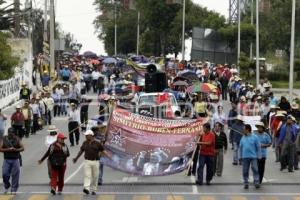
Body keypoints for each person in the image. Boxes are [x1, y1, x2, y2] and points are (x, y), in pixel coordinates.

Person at [73, 130, 110, 195]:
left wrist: (109, 156)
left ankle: (94, 190)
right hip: (87, 161)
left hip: (95, 162)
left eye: (87, 135)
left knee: (95, 176)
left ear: (91, 136)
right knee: (87, 175)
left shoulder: (97, 143)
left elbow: (103, 150)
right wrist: (76, 158)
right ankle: (86, 189)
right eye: (85, 135)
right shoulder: (84, 143)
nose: (85, 136)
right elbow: (81, 151)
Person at [0, 128, 24, 194]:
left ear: (14, 133)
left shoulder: (17, 139)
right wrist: (8, 149)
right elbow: (0, 148)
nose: (11, 134)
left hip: (15, 160)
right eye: (10, 133)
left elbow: (22, 148)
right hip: (6, 160)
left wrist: (16, 150)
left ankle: (14, 189)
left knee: (15, 175)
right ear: (8, 133)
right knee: (5, 174)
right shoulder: (4, 139)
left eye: (12, 133)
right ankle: (7, 185)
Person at [239, 124, 261, 189]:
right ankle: (246, 183)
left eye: (244, 129)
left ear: (247, 129)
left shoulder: (255, 137)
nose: (243, 131)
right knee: (245, 171)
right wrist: (239, 157)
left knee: (255, 169)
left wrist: (259, 156)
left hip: (253, 156)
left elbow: (258, 147)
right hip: (245, 157)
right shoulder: (243, 137)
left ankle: (256, 182)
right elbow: (240, 148)